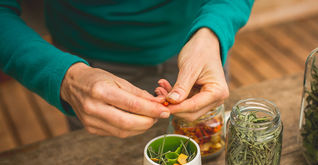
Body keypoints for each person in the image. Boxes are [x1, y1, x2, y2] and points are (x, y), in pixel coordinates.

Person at [0, 1, 254, 138]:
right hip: (85, 65)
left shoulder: (207, 43)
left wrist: (213, 32)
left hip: (201, 45)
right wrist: (64, 77)